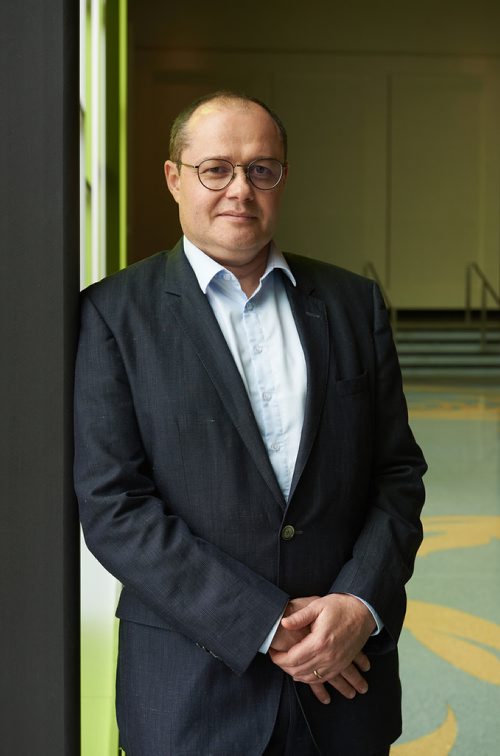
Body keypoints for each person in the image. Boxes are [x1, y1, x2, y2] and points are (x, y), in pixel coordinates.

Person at [74, 91, 426, 756]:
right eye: (217, 169)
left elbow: (397, 476)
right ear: (174, 177)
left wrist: (361, 605)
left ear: (282, 180)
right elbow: (114, 506)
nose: (240, 189)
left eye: (261, 169)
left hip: (345, 684)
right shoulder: (114, 316)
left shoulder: (354, 306)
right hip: (190, 691)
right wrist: (264, 623)